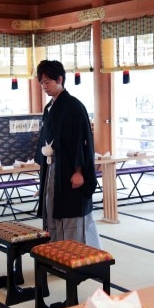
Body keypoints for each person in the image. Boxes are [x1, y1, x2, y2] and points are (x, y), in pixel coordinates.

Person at [35, 60, 102, 248]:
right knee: (52, 209)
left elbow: (83, 141)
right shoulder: (50, 108)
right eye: (41, 83)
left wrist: (79, 171)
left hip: (70, 169)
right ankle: (56, 253)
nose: (44, 87)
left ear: (60, 79)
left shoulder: (74, 106)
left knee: (72, 214)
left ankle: (79, 254)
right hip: (53, 169)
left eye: (47, 82)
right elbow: (44, 138)